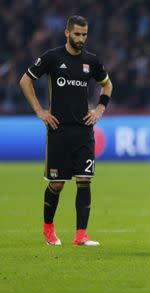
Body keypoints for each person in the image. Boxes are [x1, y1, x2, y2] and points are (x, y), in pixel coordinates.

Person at [19, 15, 113, 246]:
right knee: (57, 184)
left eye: (85, 34)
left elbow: (107, 84)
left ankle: (81, 235)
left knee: (84, 180)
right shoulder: (52, 57)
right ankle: (48, 229)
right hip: (58, 131)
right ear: (67, 33)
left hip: (83, 131)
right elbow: (25, 81)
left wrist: (100, 108)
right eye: (77, 34)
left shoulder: (91, 61)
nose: (81, 39)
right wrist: (40, 111)